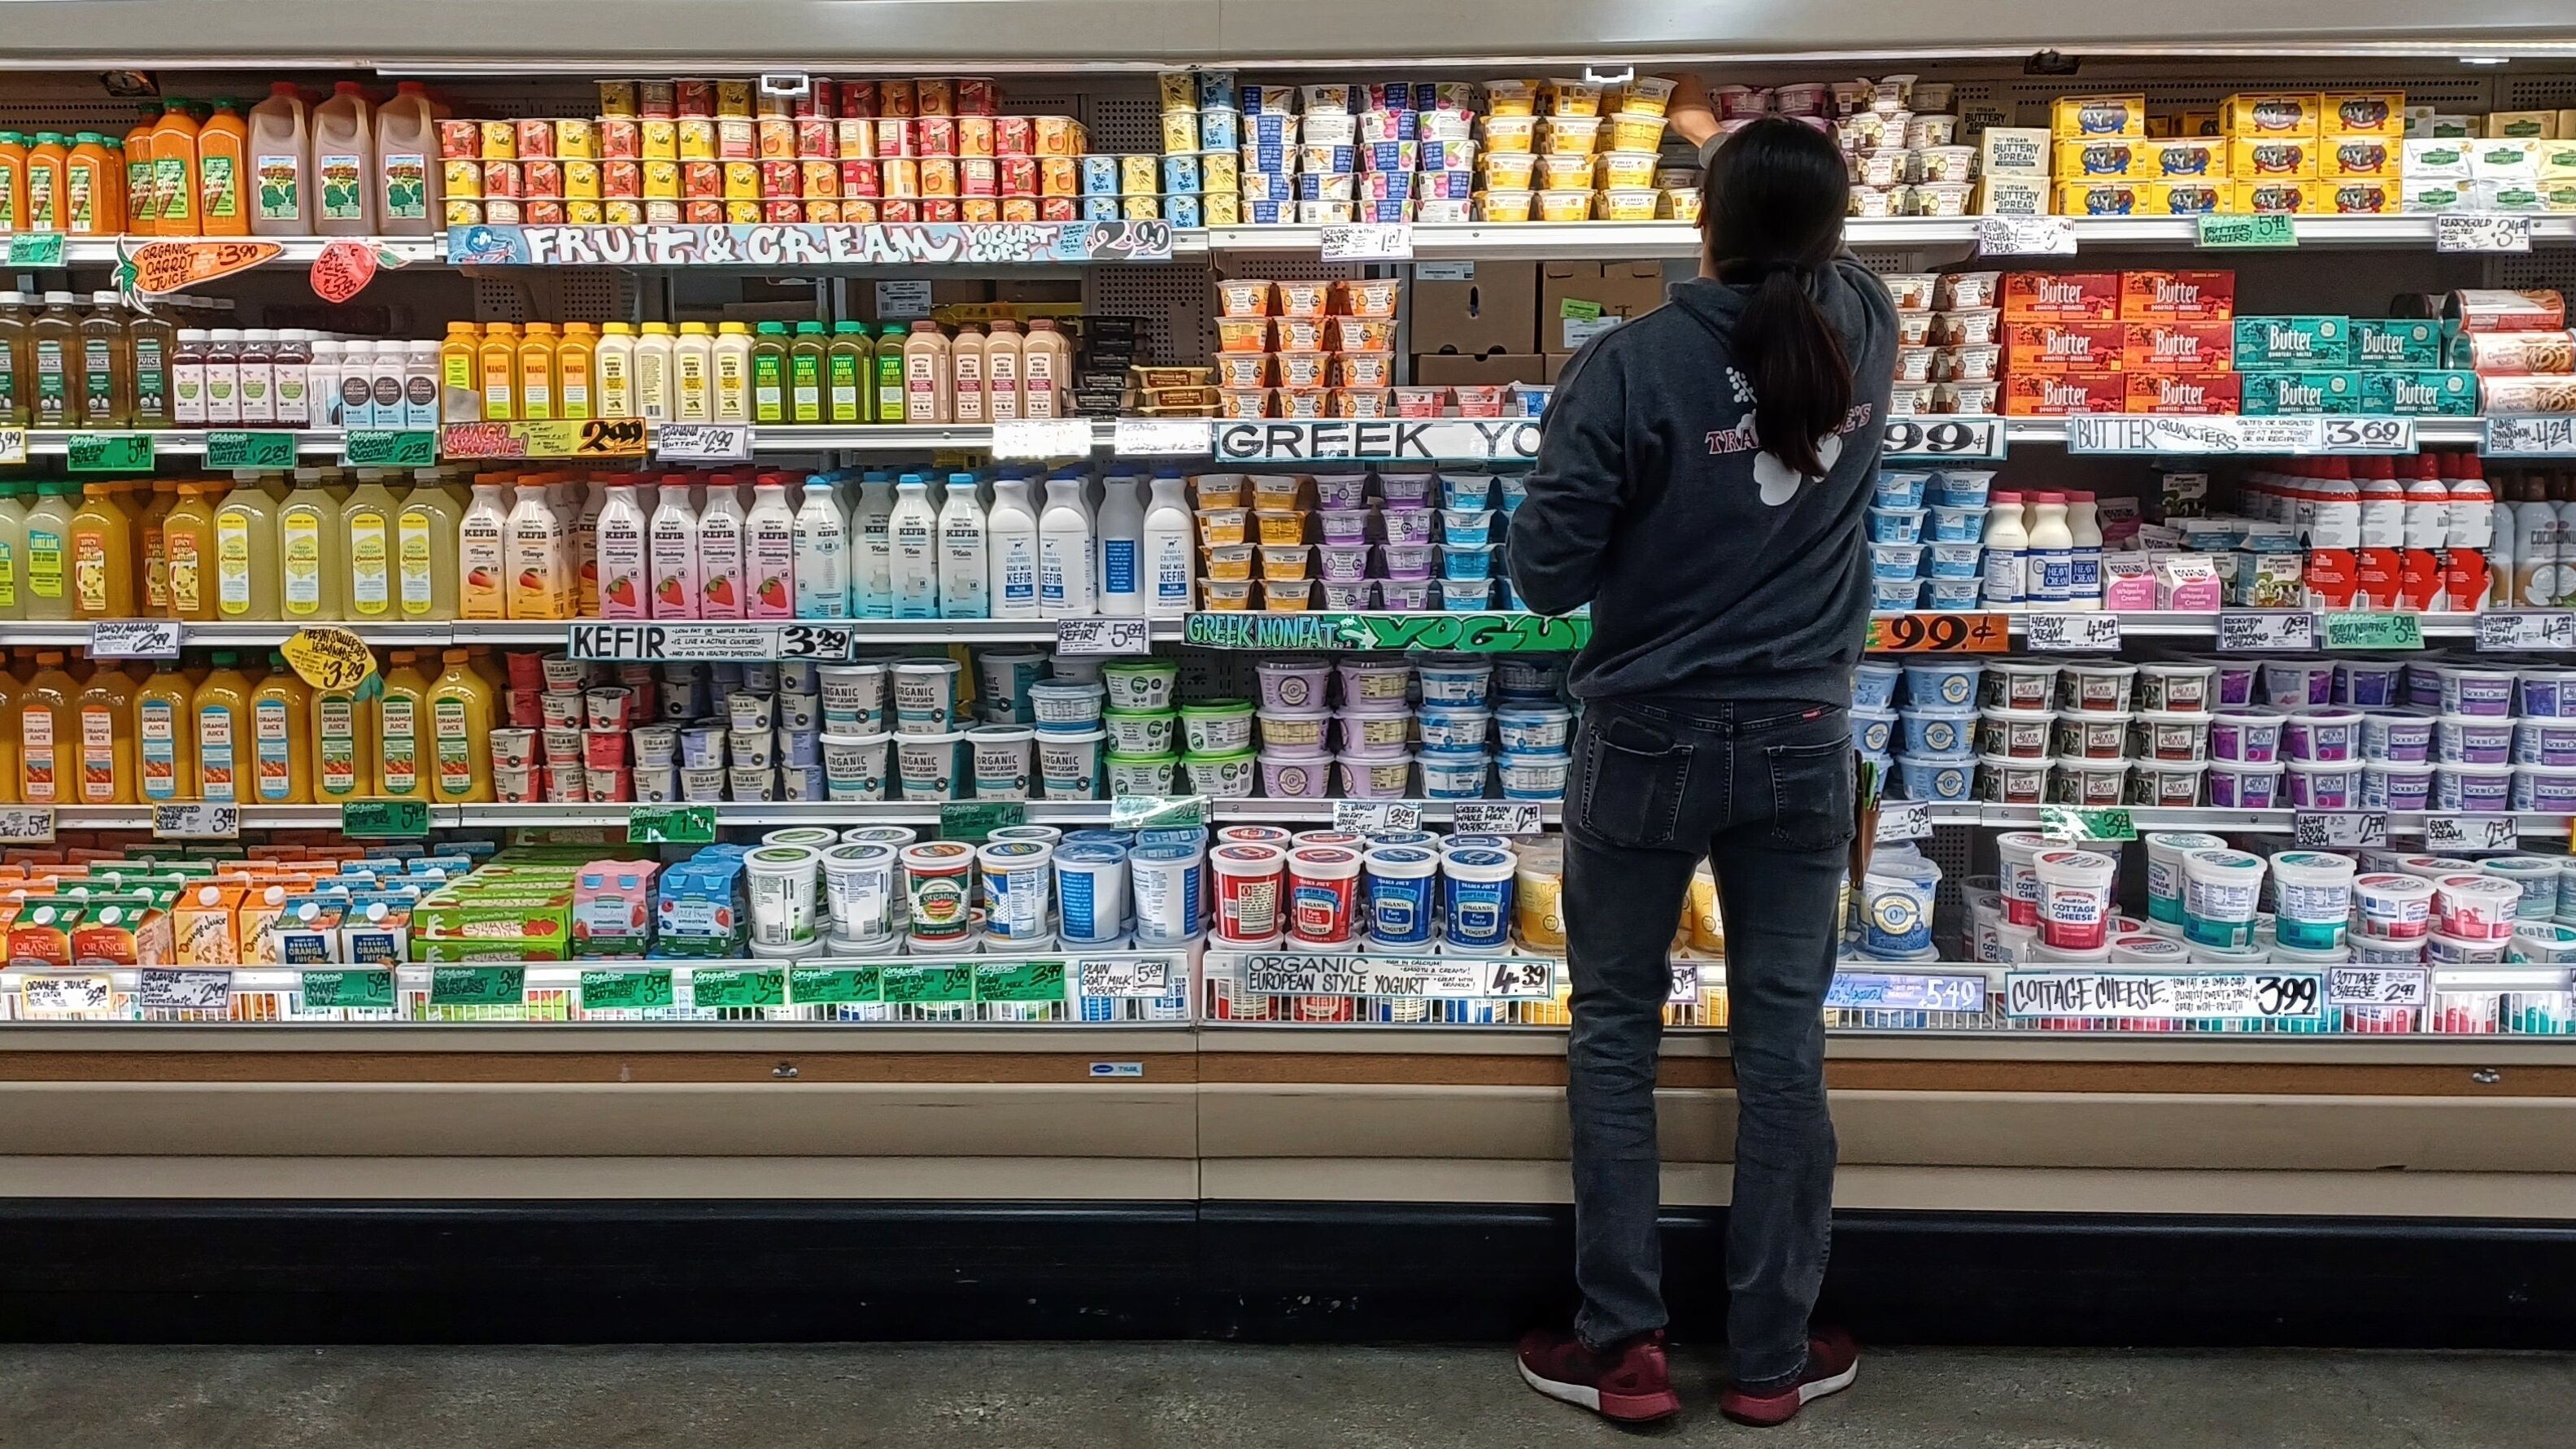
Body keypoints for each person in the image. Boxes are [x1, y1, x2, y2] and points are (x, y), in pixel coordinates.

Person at [1506, 76, 1898, 1428]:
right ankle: (1775, 1358)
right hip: (1802, 737)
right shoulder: (1869, 327)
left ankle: (1626, 1349)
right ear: (1838, 232)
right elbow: (1802, 272)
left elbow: (1543, 576)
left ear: (1704, 228)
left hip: (1646, 735)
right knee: (1781, 1043)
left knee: (1615, 1026)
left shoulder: (1627, 367)